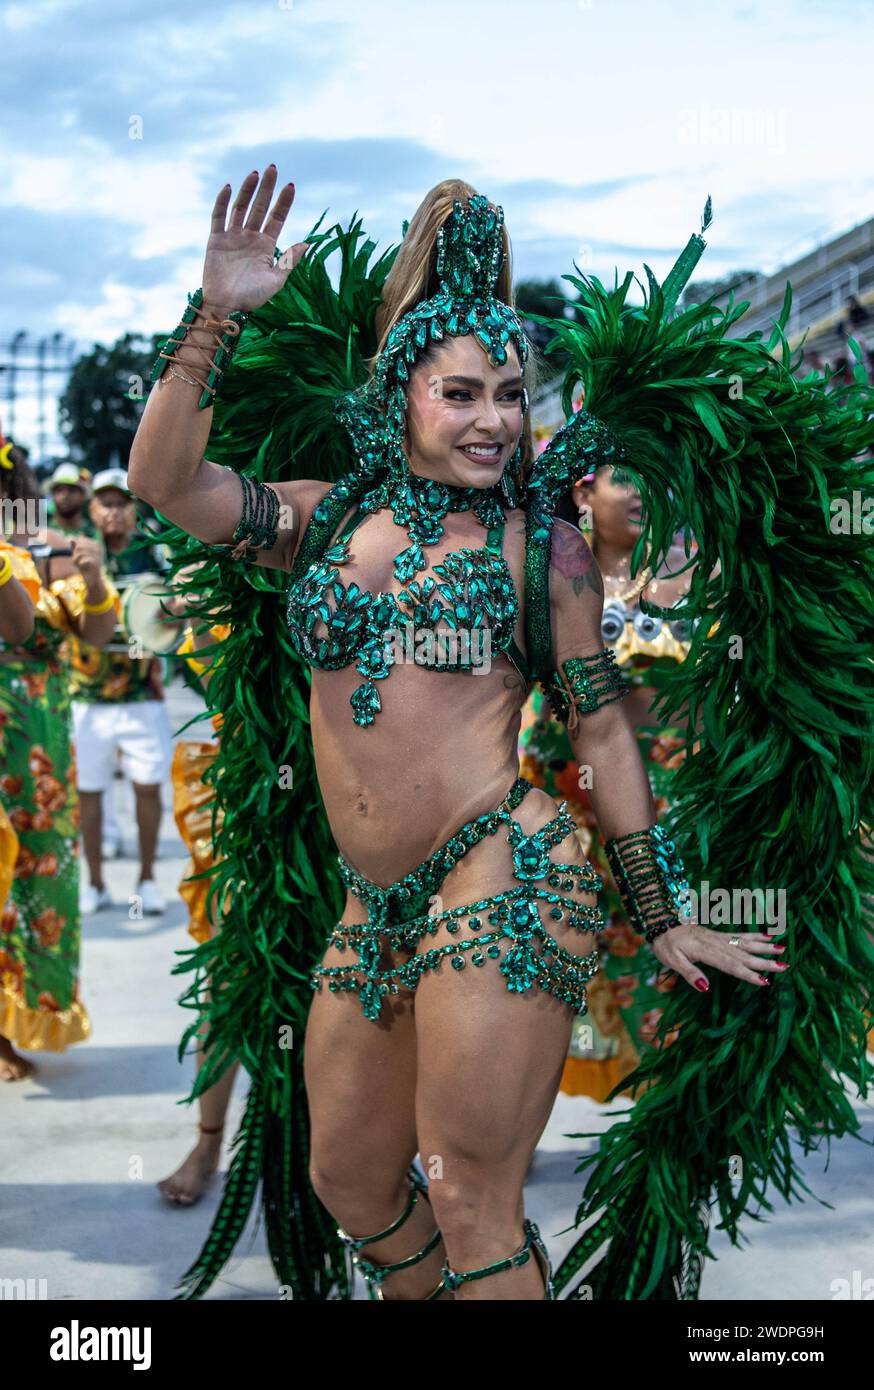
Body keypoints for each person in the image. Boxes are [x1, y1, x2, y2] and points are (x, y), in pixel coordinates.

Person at [127, 172, 785, 1301]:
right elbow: (163, 479)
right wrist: (218, 312)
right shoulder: (321, 519)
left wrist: (662, 907)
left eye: (512, 396)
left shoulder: (548, 551)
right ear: (402, 396)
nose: (493, 419)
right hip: (369, 898)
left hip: (504, 868)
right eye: (462, 393)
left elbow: (606, 736)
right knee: (351, 1182)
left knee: (471, 1193)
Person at [520, 465, 696, 1100]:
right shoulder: (550, 583)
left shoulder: (690, 581)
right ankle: (502, 1132)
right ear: (583, 493)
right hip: (572, 811)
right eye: (626, 478)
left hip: (672, 807)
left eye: (653, 475)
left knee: (667, 956)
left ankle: (669, 1116)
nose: (645, 490)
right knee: (555, 961)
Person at [0, 439, 116, 1080]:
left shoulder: (44, 548)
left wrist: (95, 581)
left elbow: (94, 635)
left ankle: (17, 1022)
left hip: (34, 731)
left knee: (39, 872)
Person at [69, 468, 176, 916]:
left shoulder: (158, 551)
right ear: (92, 508)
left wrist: (176, 607)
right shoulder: (76, 551)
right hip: (88, 698)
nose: (113, 511)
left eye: (122, 502)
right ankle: (93, 883)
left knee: (148, 789)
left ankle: (147, 880)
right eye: (105, 503)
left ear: (135, 507)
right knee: (89, 793)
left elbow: (181, 602)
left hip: (142, 697)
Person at [47, 462, 95, 538]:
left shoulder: (94, 533)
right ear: (52, 495)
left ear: (83, 496)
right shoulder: (41, 532)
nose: (65, 496)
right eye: (59, 490)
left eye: (72, 490)